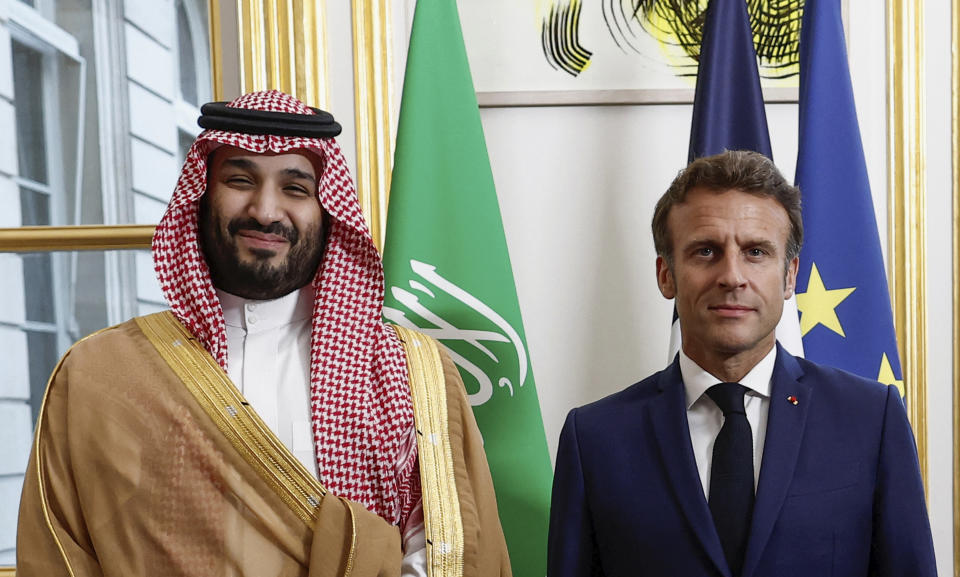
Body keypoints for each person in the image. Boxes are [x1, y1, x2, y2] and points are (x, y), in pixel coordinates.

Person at [17, 90, 511, 577]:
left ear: (328, 212)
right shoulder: (101, 374)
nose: (266, 211)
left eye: (295, 188)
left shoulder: (406, 370)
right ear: (202, 194)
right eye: (239, 180)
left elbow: (447, 551)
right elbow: (63, 553)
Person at [547, 150, 936, 577]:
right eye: (706, 251)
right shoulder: (595, 438)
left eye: (755, 252)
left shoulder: (870, 419)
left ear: (790, 276)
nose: (732, 275)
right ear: (666, 275)